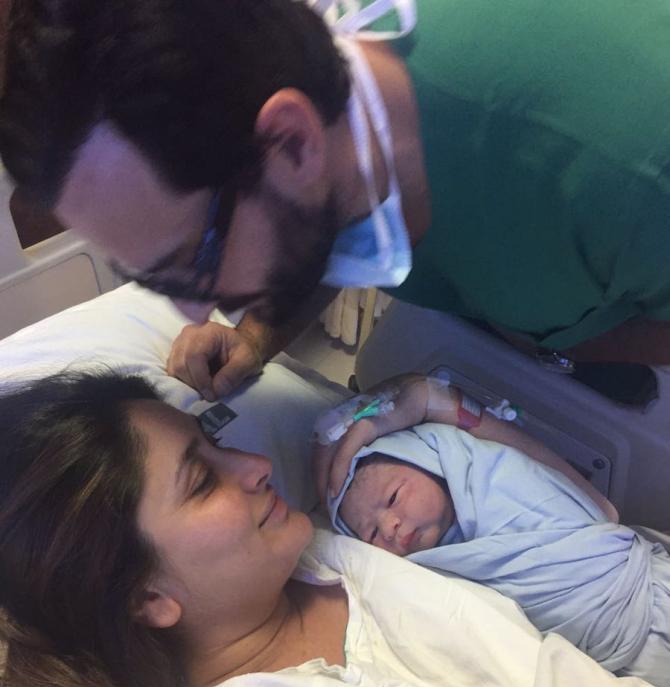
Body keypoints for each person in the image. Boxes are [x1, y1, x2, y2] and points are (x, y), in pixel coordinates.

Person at [2, 370, 670, 687]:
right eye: (203, 481)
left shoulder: (326, 552)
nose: (256, 464)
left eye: (218, 442)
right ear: (147, 597)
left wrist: (427, 398)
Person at [4, 2, 670, 404]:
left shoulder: (628, 166)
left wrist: (562, 345)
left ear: (293, 142)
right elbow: (311, 218)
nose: (192, 310)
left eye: (191, 263)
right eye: (150, 277)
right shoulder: (296, 81)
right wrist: (257, 334)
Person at [324, 381, 670, 687]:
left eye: (393, 497)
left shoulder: (495, 472)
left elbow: (430, 395)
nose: (389, 526)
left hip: (651, 589)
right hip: (623, 664)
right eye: (370, 532)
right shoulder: (432, 577)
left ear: (435, 461)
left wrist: (341, 426)